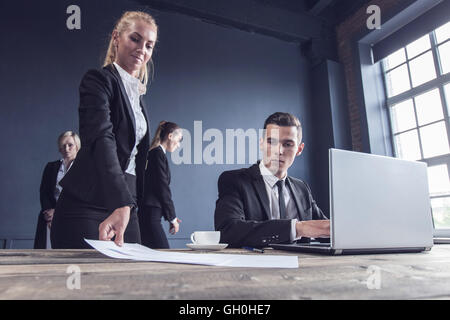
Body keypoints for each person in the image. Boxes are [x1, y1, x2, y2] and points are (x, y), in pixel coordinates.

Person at [50, 11, 158, 248]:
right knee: (88, 282)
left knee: (133, 281)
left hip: (126, 203)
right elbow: (101, 138)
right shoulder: (98, 80)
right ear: (116, 37)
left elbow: (135, 158)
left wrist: (128, 203)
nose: (142, 49)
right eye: (135, 39)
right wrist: (120, 201)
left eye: (149, 45)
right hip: (86, 203)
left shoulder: (138, 97)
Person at [214, 112, 330, 248]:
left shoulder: (302, 188)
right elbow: (228, 231)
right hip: (254, 266)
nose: (279, 151)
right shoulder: (234, 180)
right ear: (261, 144)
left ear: (299, 149)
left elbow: (324, 228)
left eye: (288, 144)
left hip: (302, 266)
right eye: (272, 142)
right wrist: (297, 228)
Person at [139, 121, 183, 248]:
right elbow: (162, 188)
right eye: (178, 140)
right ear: (170, 136)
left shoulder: (157, 154)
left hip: (151, 213)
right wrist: (172, 217)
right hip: (150, 213)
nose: (178, 145)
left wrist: (170, 217)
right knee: (164, 252)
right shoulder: (156, 154)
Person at [34, 131, 81, 249]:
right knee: (47, 253)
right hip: (50, 217)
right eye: (63, 145)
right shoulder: (51, 167)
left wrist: (58, 212)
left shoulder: (84, 168)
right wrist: (49, 212)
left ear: (77, 146)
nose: (66, 148)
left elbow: (81, 196)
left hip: (74, 217)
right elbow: (44, 192)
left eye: (70, 145)